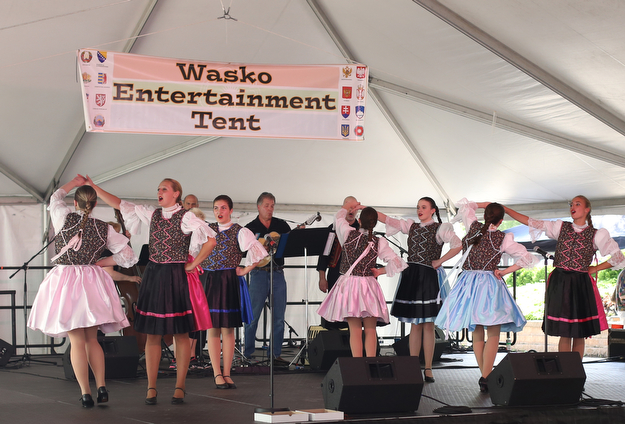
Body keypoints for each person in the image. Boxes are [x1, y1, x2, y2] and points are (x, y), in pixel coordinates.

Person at [87, 176, 216, 405]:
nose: (159, 191)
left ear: (176, 193)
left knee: (181, 333)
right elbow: (119, 203)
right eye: (158, 189)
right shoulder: (152, 213)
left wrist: (193, 264)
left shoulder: (186, 217)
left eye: (164, 189)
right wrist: (95, 188)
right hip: (154, 275)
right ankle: (151, 387)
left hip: (176, 276)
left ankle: (180, 386)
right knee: (153, 333)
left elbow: (211, 240)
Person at [28, 175, 138, 407]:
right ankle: (101, 386)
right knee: (93, 340)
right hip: (91, 282)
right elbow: (128, 256)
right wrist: (100, 263)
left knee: (76, 342)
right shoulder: (103, 228)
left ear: (75, 203)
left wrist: (73, 183)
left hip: (66, 281)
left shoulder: (62, 217)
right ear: (95, 204)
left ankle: (86, 393)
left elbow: (55, 197)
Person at [435, 199, 537, 393]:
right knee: (493, 332)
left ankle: (485, 375)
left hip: (467, 284)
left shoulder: (472, 225)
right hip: (489, 285)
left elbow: (466, 206)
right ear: (501, 221)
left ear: (485, 215)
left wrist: (484, 204)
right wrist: (505, 272)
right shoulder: (503, 238)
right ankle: (485, 376)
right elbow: (527, 257)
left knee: (477, 331)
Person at [503, 196, 625, 358]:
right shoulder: (561, 227)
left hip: (580, 283)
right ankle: (565, 371)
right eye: (571, 204)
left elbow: (618, 258)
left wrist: (595, 268)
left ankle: (575, 371)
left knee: (579, 332)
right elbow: (531, 221)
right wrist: (506, 210)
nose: (572, 206)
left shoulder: (597, 235)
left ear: (587, 209)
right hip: (560, 282)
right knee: (564, 331)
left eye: (577, 204)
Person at [378, 197, 462, 383]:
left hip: (428, 276)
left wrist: (440, 261)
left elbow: (458, 245)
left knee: (428, 325)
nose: (419, 210)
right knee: (415, 324)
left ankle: (429, 368)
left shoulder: (440, 228)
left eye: (423, 207)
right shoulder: (412, 226)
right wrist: (369, 211)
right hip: (412, 276)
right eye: (418, 207)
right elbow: (389, 220)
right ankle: (413, 366)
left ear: (432, 210)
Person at [317, 197, 408, 357]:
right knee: (371, 330)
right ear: (375, 224)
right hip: (369, 286)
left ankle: (358, 366)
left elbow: (338, 218)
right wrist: (380, 272)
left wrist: (349, 207)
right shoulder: (379, 242)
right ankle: (371, 364)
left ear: (359, 220)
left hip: (350, 286)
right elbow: (398, 263)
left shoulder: (348, 233)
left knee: (355, 331)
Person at [202, 195, 267, 389]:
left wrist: (245, 269)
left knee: (228, 328)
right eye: (216, 208)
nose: (219, 212)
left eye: (223, 208)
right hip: (210, 279)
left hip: (228, 279)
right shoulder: (207, 230)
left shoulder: (240, 231)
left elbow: (259, 252)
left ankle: (227, 372)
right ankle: (216, 373)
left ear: (230, 210)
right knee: (213, 327)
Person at [244, 192, 292, 364]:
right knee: (252, 316)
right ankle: (248, 354)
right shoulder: (250, 228)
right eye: (266, 205)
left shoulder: (281, 225)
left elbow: (290, 245)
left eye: (272, 205)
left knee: (279, 317)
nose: (270, 209)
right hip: (258, 274)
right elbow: (243, 251)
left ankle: (275, 355)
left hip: (278, 272)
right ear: (258, 207)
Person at [316, 197, 360, 330]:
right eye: (349, 207)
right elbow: (325, 254)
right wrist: (322, 278)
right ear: (343, 209)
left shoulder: (360, 228)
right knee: (334, 311)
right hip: (335, 274)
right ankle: (334, 343)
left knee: (352, 311)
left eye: (354, 208)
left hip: (354, 277)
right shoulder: (333, 228)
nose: (351, 211)